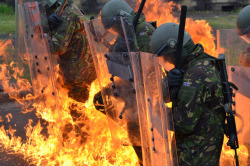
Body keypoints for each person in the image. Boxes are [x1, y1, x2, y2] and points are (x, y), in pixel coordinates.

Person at [150, 23, 225, 165]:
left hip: (196, 156)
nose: (165, 62)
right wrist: (168, 86)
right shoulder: (197, 64)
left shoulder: (196, 75)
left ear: (174, 51)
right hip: (196, 151)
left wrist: (155, 112)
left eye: (165, 57)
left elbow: (183, 123)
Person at [93, 0, 155, 165]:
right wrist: (104, 42)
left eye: (114, 26)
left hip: (143, 86)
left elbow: (145, 64)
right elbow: (115, 54)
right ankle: (131, 124)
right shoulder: (128, 29)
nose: (114, 31)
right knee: (101, 100)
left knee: (134, 129)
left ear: (122, 18)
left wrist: (128, 45)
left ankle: (146, 160)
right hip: (128, 82)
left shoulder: (142, 31)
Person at [42, 0, 96, 103]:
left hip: (77, 76)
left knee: (77, 114)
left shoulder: (66, 14)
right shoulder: (69, 8)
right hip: (81, 70)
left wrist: (43, 35)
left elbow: (58, 47)